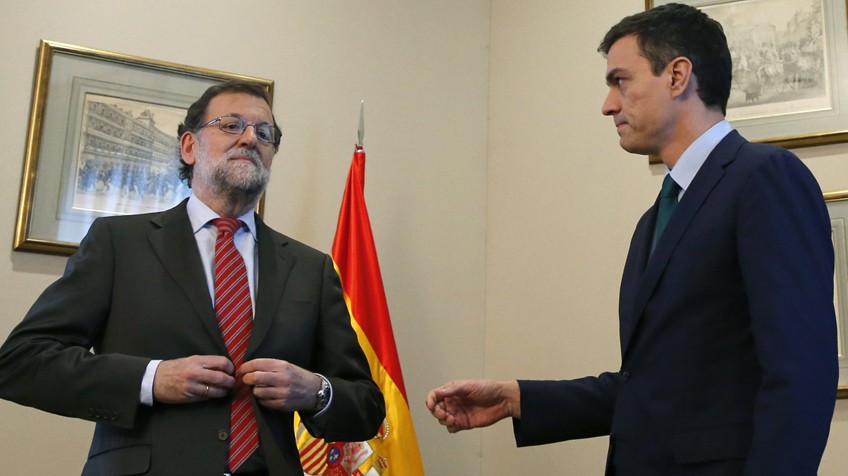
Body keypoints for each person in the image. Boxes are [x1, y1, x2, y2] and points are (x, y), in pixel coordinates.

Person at [426, 4, 837, 475]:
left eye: (620, 81)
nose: (608, 105)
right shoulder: (655, 219)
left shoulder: (763, 178)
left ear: (677, 76)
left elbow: (801, 373)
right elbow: (649, 388)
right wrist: (514, 398)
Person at [0, 80, 385, 475]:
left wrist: (315, 391)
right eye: (231, 125)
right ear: (189, 146)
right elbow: (21, 362)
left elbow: (368, 407)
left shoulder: (309, 268)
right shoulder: (119, 243)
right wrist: (152, 379)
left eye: (264, 133)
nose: (250, 139)